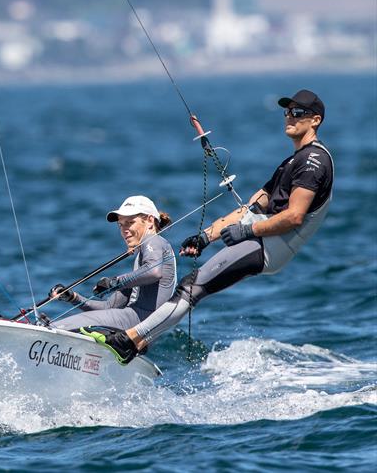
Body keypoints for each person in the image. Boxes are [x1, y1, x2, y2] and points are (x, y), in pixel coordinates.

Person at [103, 89, 334, 364]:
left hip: (271, 245)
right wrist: (205, 237)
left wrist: (248, 232)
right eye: (287, 111)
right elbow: (250, 209)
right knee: (193, 287)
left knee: (191, 288)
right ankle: (135, 343)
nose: (289, 117)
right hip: (262, 241)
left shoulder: (313, 161)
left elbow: (294, 217)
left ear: (315, 120)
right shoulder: (292, 161)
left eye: (298, 112)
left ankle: (127, 341)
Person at [48, 195, 176, 333]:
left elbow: (154, 272)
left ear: (150, 220)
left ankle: (46, 330)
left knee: (59, 327)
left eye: (130, 222)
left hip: (139, 321)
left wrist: (114, 282)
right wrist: (73, 298)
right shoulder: (142, 258)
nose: (124, 229)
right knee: (86, 320)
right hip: (135, 325)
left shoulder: (153, 240)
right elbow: (109, 308)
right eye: (121, 224)